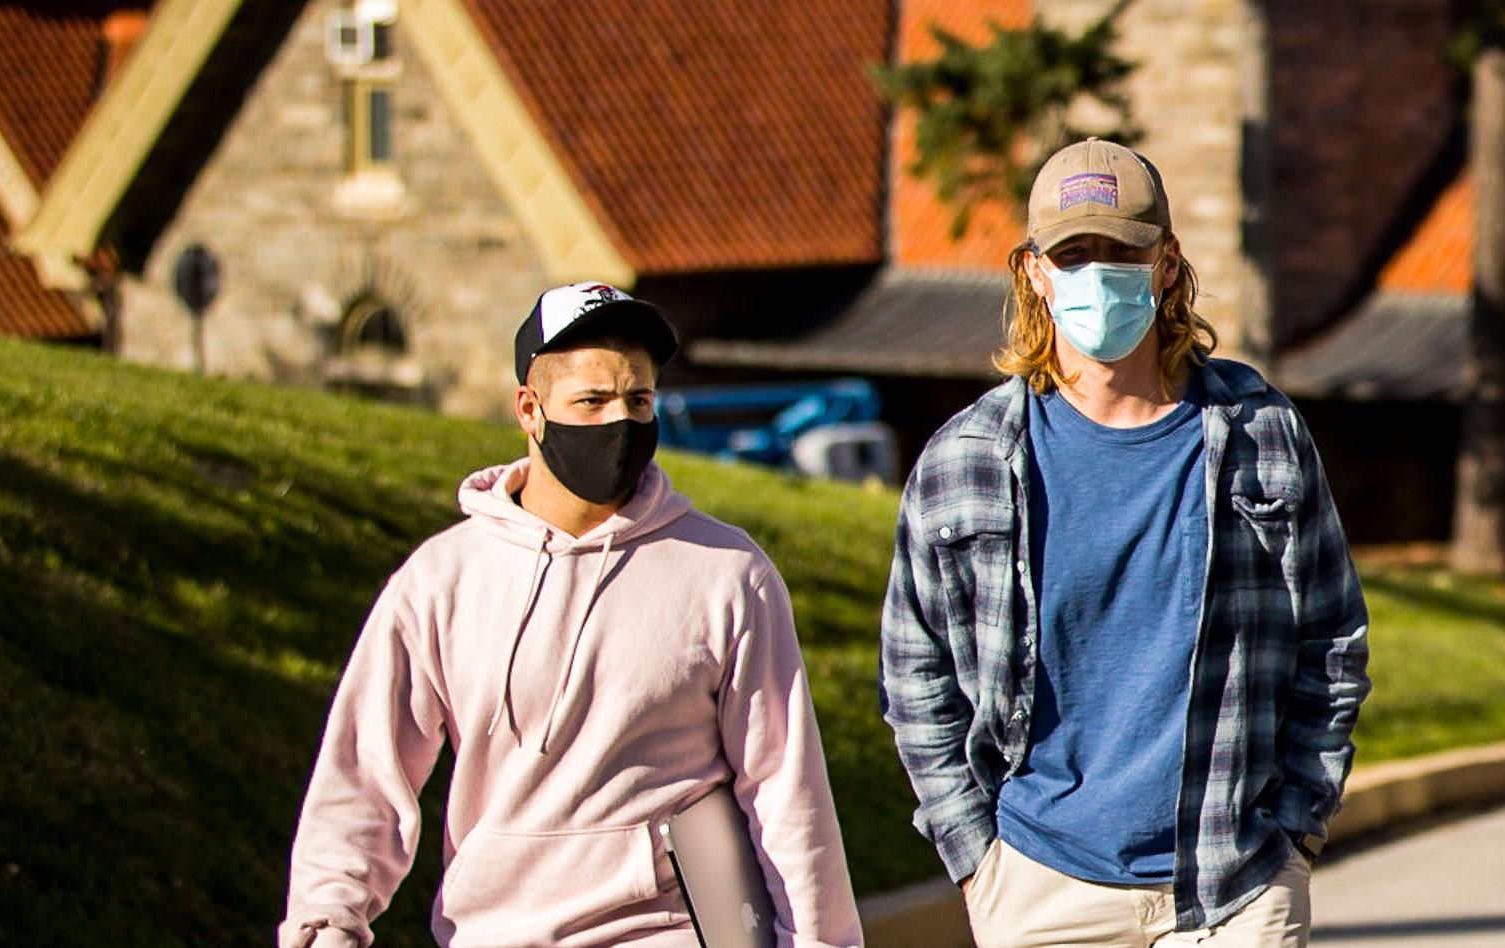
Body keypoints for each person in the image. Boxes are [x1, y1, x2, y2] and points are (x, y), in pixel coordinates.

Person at [878, 139, 1368, 948]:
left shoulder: (1259, 434)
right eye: (1075, 255)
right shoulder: (965, 462)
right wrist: (977, 861)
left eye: (1122, 251)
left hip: (1234, 886)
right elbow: (914, 669)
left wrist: (1296, 832)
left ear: (1167, 264)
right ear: (1034, 270)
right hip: (1041, 888)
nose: (1098, 274)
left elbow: (1331, 638)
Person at [280, 282, 863, 948]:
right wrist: (327, 922)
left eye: (637, 399)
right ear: (530, 411)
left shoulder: (727, 574)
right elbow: (363, 774)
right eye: (592, 401)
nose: (621, 421)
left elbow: (787, 792)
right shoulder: (440, 580)